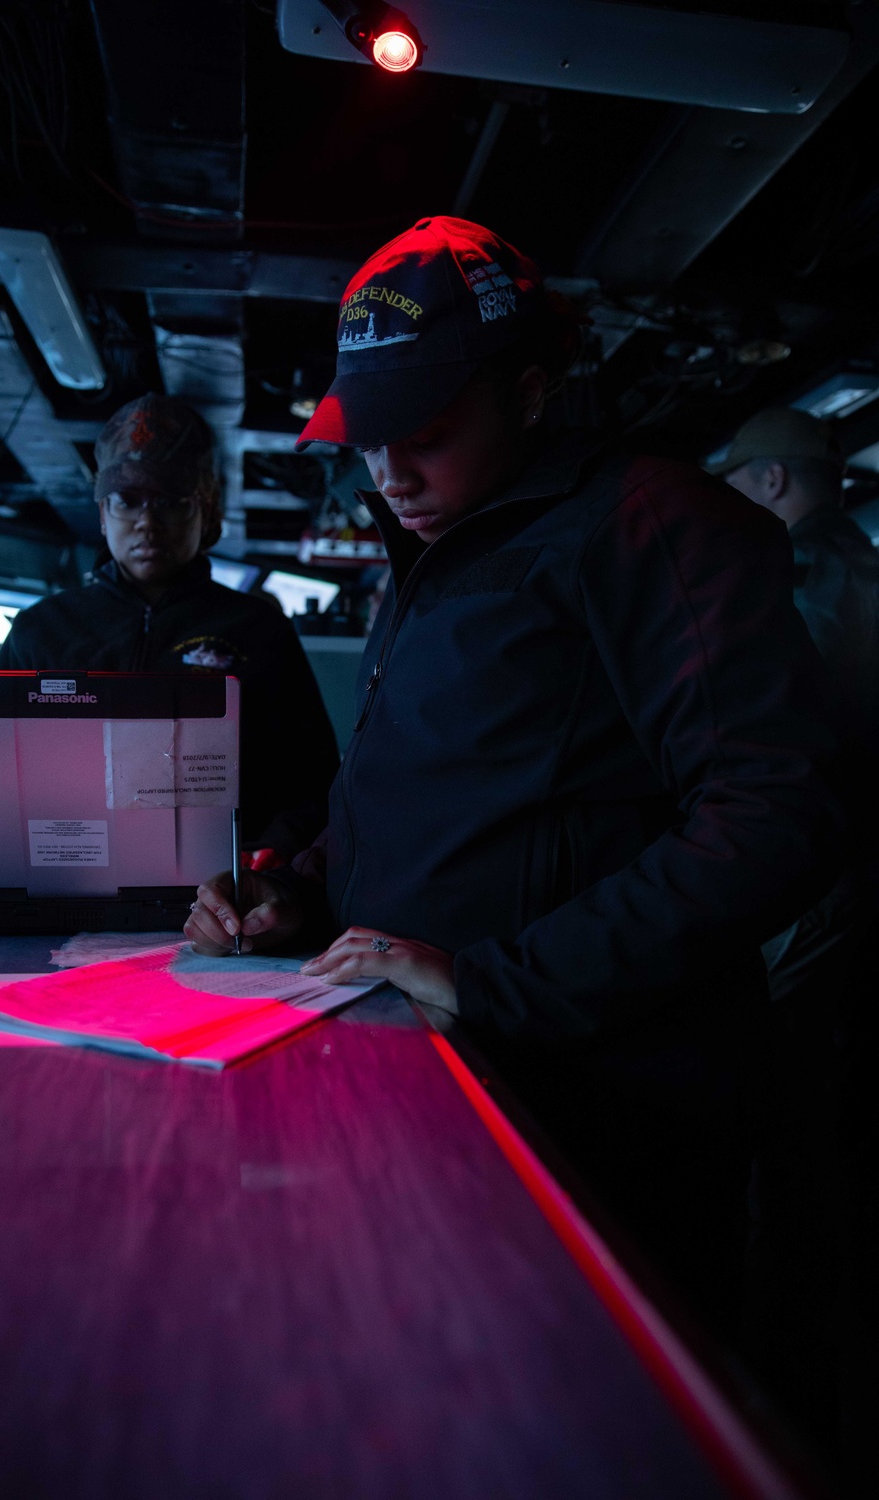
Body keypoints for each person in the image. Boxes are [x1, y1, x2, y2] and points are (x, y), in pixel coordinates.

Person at [186, 217, 844, 1333]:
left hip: (596, 1118)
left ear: (531, 393)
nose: (387, 471)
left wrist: (500, 985)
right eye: (366, 436)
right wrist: (298, 887)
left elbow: (776, 813)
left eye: (426, 430)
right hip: (428, 1084)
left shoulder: (653, 527)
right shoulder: (437, 553)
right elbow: (432, 801)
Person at [714, 408, 879, 1473]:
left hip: (824, 889)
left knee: (787, 1126)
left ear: (771, 483)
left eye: (730, 484)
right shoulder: (863, 560)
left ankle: (782, 1398)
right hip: (859, 883)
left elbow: (785, 748)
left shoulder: (806, 576)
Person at [0, 393, 339, 860]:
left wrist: (268, 859)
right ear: (101, 513)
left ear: (208, 511)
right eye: (127, 501)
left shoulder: (261, 630)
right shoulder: (39, 630)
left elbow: (313, 781)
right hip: (68, 868)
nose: (148, 523)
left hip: (221, 884)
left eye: (173, 502)